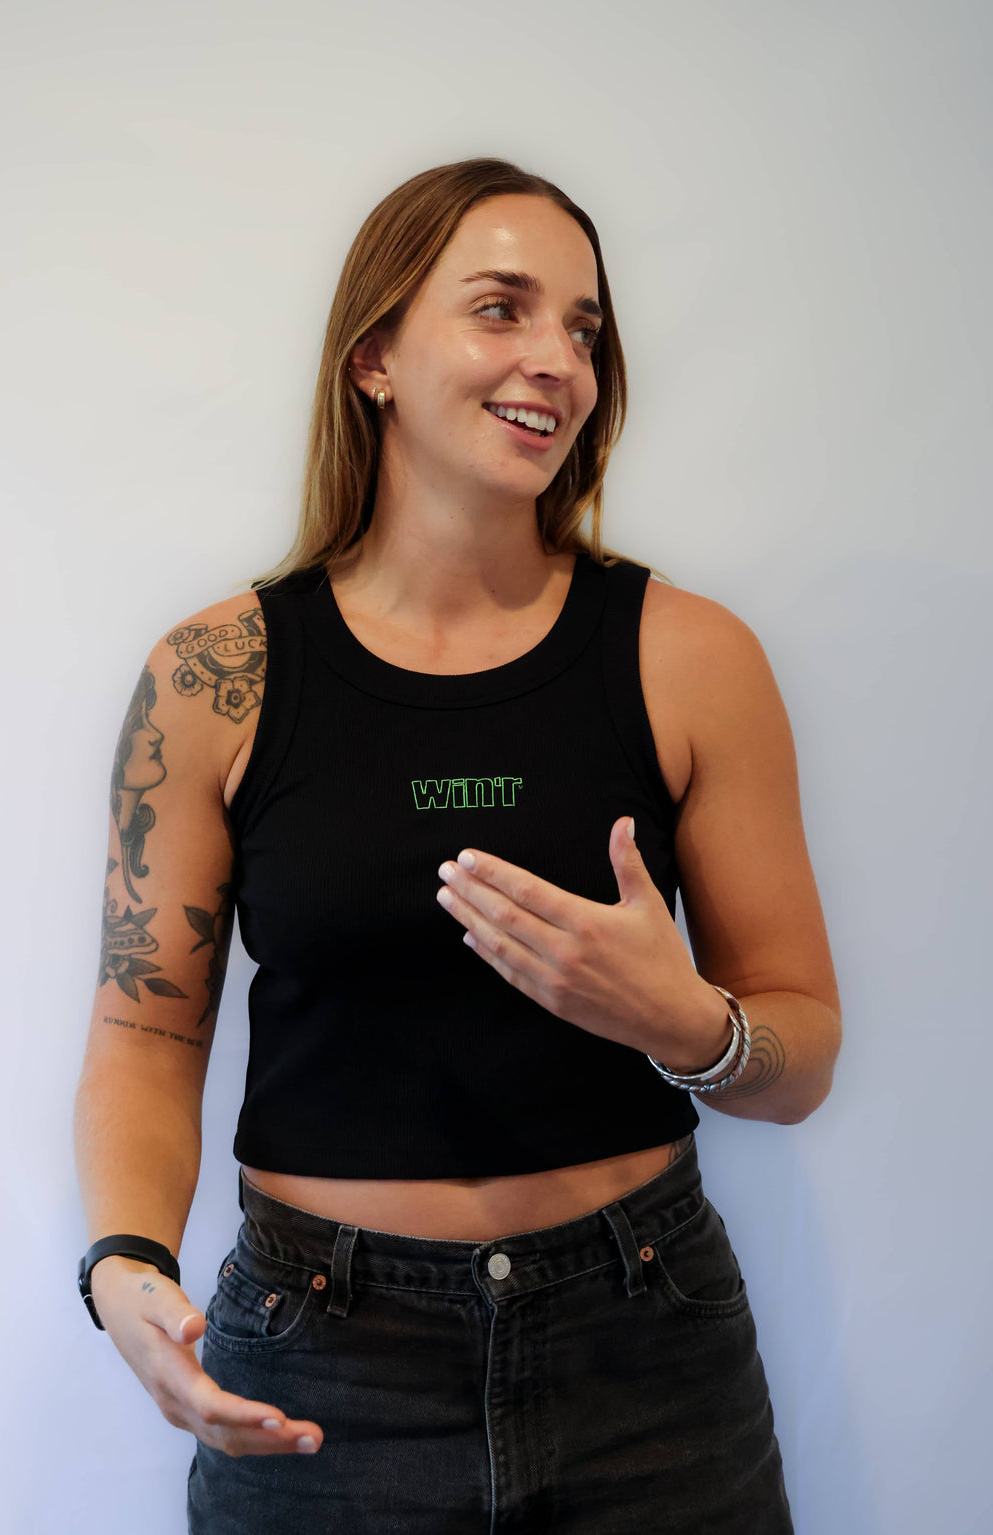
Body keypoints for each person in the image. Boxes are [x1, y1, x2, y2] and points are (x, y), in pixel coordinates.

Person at [74, 156, 841, 1533]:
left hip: (644, 1344)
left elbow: (801, 1052)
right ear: (374, 354)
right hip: (322, 1361)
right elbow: (145, 1035)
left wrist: (689, 1026)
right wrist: (124, 1264)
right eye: (504, 309)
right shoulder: (215, 679)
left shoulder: (691, 658)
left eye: (586, 328)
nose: (558, 359)